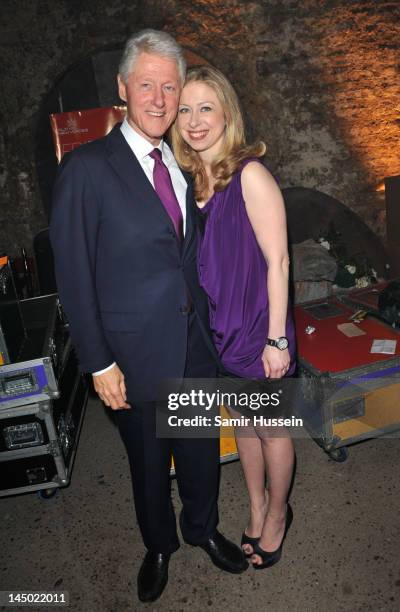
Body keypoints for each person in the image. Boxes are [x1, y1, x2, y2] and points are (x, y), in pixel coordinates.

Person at [50, 31, 247, 604]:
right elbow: (74, 275)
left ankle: (203, 530)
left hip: (192, 345)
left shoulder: (190, 161)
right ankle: (159, 544)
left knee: (198, 451)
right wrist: (98, 361)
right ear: (122, 89)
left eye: (170, 86)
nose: (160, 99)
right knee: (147, 464)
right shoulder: (87, 169)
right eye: (146, 85)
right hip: (130, 356)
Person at [171, 65, 297, 570]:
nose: (194, 120)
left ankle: (280, 513)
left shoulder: (250, 174)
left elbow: (279, 262)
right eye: (185, 109)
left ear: (227, 113)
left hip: (256, 331)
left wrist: (277, 342)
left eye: (206, 107)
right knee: (244, 427)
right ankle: (256, 505)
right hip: (217, 331)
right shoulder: (192, 181)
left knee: (272, 429)